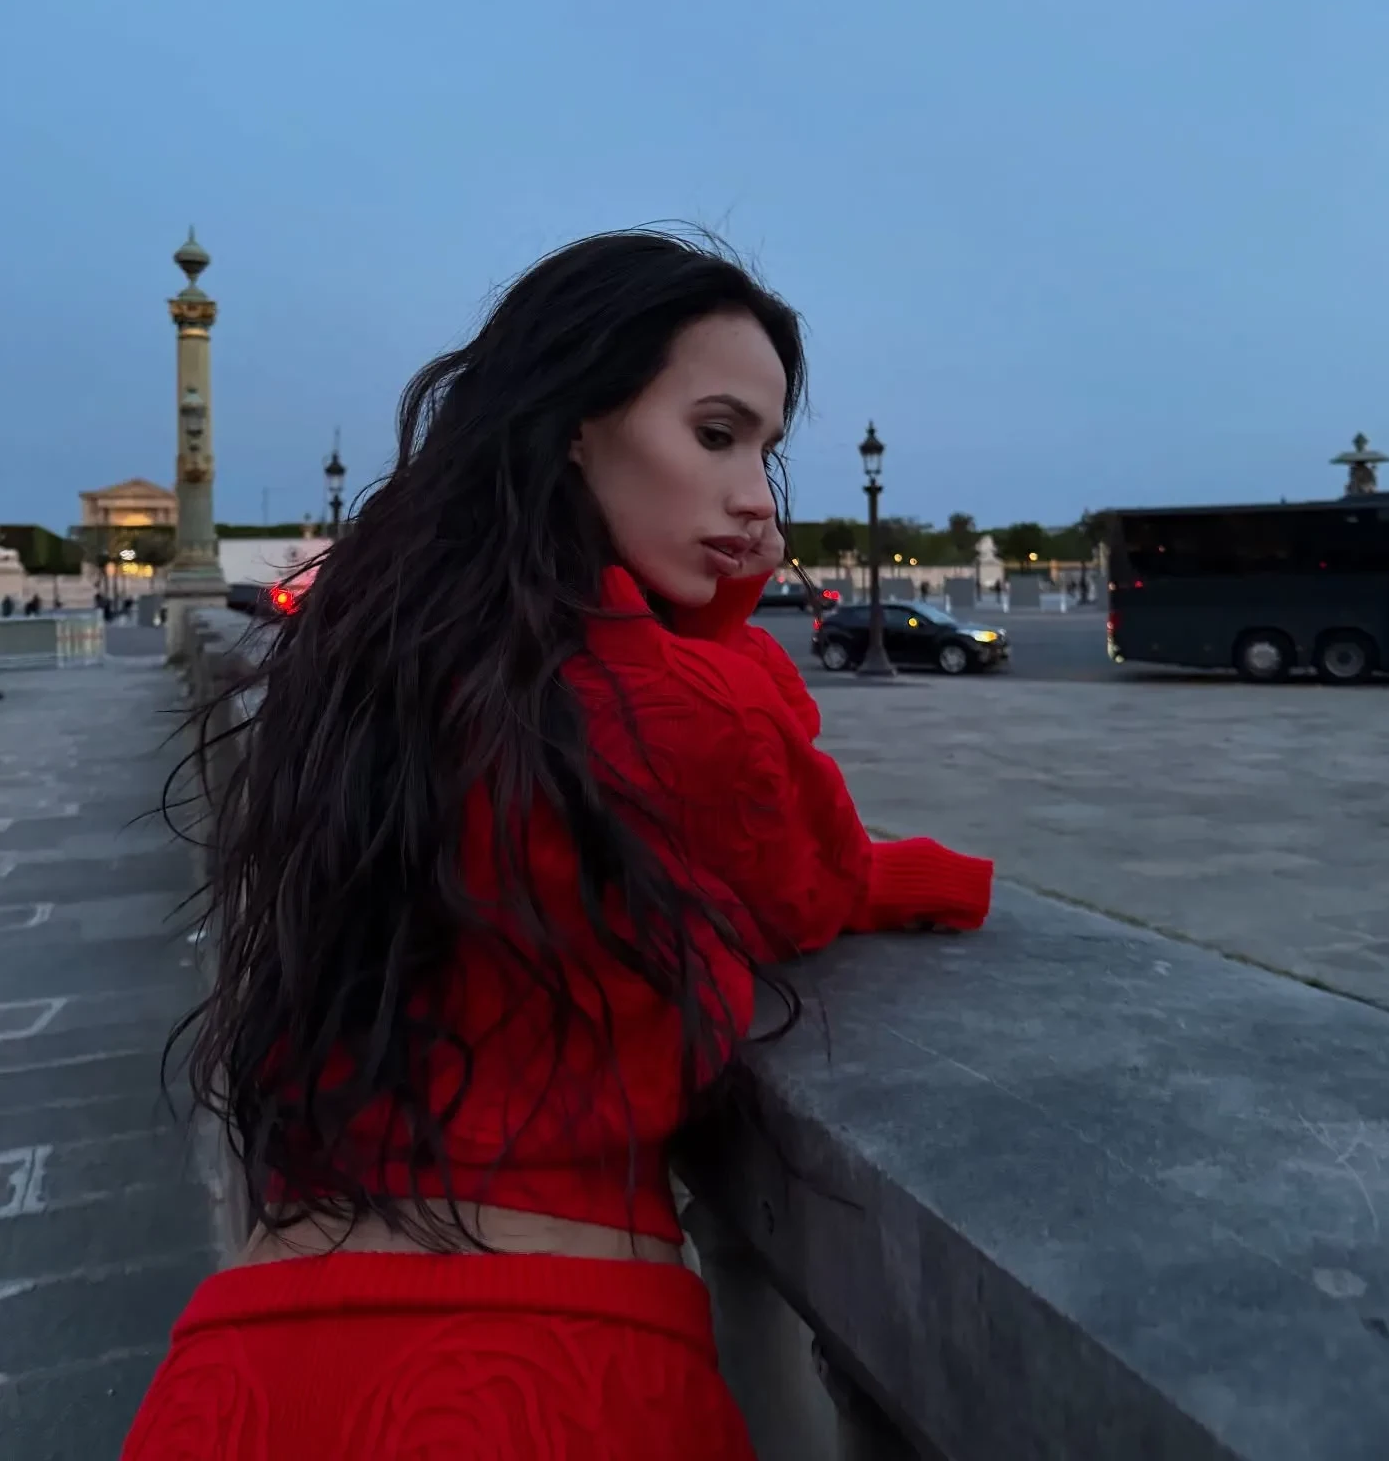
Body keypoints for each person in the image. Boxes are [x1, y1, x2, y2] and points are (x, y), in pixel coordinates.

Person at [122, 231, 994, 1461]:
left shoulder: (380, 651)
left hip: (244, 1365)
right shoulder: (675, 702)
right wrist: (728, 616)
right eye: (716, 435)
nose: (758, 497)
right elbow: (810, 879)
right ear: (575, 428)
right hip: (546, 1367)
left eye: (766, 452)